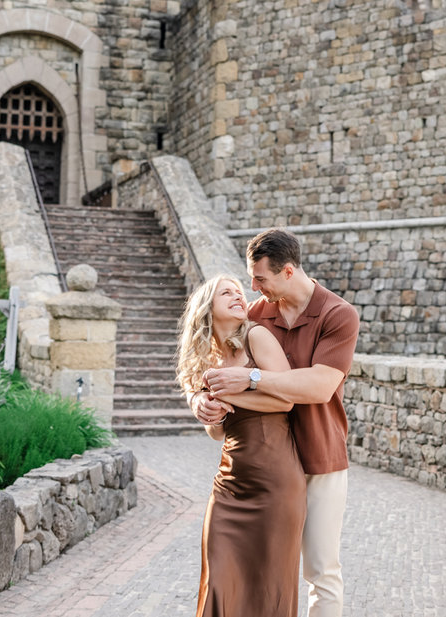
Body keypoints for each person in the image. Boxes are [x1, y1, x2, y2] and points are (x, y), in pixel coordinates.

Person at [197, 229, 360, 617]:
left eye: (260, 279)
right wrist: (201, 400)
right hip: (267, 464)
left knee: (321, 570)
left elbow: (320, 387)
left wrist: (251, 379)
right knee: (263, 570)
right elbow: (213, 372)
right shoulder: (255, 315)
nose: (252, 288)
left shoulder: (338, 314)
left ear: (288, 271)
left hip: (319, 457)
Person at [176, 274, 305, 617]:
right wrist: (210, 413)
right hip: (229, 485)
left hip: (275, 483)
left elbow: (286, 401)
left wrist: (234, 395)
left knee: (269, 585)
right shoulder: (205, 362)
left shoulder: (256, 337)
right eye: (226, 292)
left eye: (239, 291)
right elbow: (218, 433)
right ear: (207, 307)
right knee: (220, 580)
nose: (238, 295)